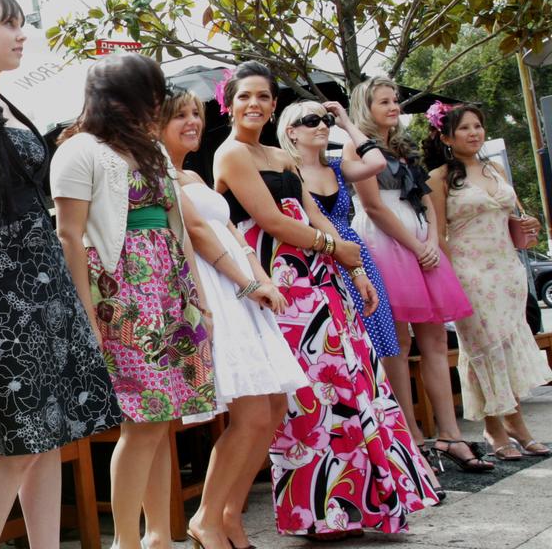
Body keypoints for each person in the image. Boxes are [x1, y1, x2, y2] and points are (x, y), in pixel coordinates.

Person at [0, 0, 120, 549]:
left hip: (43, 276)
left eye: (21, 23)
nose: (20, 33)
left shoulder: (9, 105)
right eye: (8, 23)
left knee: (51, 436)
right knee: (18, 445)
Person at [215, 62, 437, 540]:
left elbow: (314, 212)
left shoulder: (279, 154)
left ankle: (358, 508)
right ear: (228, 103)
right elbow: (270, 220)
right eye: (245, 96)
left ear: (273, 105)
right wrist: (338, 248)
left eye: (263, 96)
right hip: (280, 284)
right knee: (308, 400)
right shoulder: (230, 154)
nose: (255, 104)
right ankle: (318, 513)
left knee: (351, 386)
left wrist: (355, 269)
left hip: (324, 282)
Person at [52, 56, 219, 549]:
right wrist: (85, 312)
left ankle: (157, 535)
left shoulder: (150, 149)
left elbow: (178, 226)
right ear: (117, 97)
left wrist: (198, 295)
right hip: (120, 292)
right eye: (146, 94)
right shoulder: (79, 150)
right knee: (143, 420)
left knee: (163, 419)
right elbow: (69, 235)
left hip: (168, 288)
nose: (154, 104)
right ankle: (127, 540)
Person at [159, 88, 307, 549]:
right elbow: (199, 235)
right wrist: (245, 284)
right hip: (215, 291)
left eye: (195, 115)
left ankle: (228, 514)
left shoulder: (193, 176)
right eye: (179, 115)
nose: (191, 122)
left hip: (242, 290)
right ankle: (206, 518)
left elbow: (231, 233)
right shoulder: (159, 175)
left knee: (274, 407)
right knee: (251, 411)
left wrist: (261, 277)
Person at [347, 77, 492, 472]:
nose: (394, 107)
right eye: (384, 102)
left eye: (395, 100)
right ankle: (409, 434)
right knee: (396, 340)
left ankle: (450, 434)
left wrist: (429, 236)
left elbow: (426, 197)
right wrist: (415, 245)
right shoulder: (355, 146)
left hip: (420, 240)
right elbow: (373, 207)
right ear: (366, 107)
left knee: (433, 339)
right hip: (383, 242)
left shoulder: (405, 147)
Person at [424, 102, 552, 459]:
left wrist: (530, 227)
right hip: (470, 272)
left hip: (508, 270)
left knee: (508, 345)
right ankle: (498, 425)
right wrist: (454, 277)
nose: (474, 133)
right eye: (465, 128)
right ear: (447, 136)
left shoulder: (494, 169)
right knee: (483, 348)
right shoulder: (439, 178)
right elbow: (439, 234)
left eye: (478, 126)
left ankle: (511, 421)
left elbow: (515, 216)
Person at [277, 100, 399, 360]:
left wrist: (345, 122)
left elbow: (376, 163)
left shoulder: (336, 165)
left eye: (326, 121)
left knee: (378, 332)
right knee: (345, 337)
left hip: (355, 253)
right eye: (312, 121)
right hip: (317, 256)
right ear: (291, 131)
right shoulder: (287, 171)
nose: (322, 126)